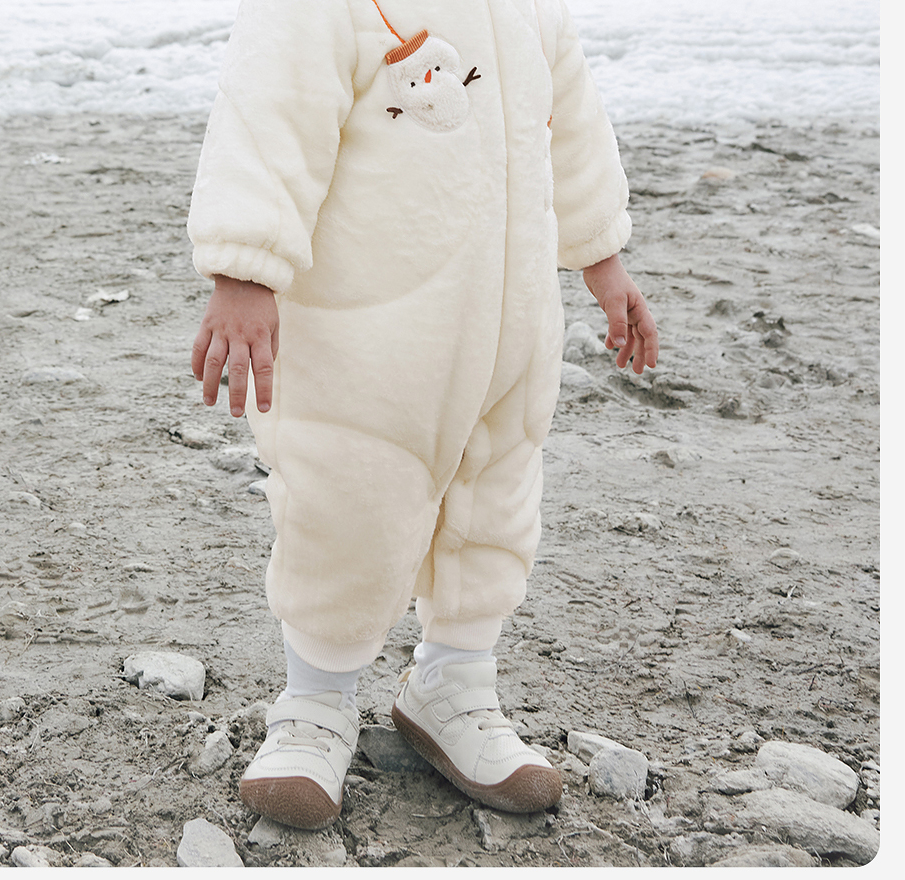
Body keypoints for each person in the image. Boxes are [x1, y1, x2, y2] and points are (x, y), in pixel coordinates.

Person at [187, 0, 658, 830]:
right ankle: (315, 701)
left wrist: (602, 257)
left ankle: (455, 682)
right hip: (367, 334)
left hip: (512, 328)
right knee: (349, 498)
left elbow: (572, 121)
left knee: (494, 503)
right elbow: (270, 112)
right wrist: (244, 273)